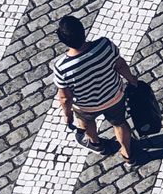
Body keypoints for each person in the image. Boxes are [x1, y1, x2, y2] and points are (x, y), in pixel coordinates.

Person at [52, 15, 138, 164]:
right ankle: (127, 153)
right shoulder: (104, 45)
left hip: (86, 106)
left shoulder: (62, 68)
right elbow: (120, 65)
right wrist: (132, 80)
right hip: (114, 96)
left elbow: (65, 97)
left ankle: (95, 143)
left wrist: (67, 115)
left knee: (87, 124)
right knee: (120, 123)